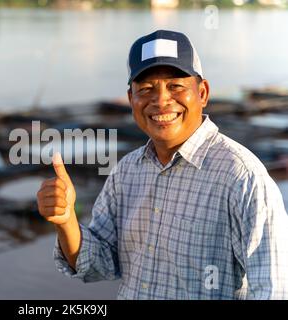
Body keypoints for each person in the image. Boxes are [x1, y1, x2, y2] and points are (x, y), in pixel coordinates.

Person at [36, 30, 288, 299]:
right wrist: (66, 221)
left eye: (175, 86)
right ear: (131, 99)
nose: (161, 100)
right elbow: (98, 265)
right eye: (145, 89)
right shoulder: (127, 172)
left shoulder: (242, 177)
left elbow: (273, 289)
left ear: (202, 92)